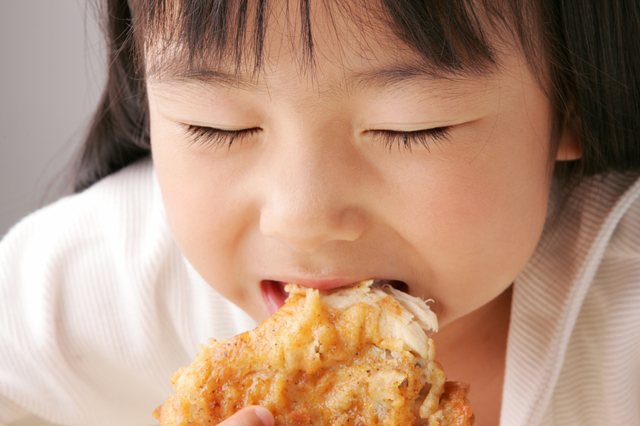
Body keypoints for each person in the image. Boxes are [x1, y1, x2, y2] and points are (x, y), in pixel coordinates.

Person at [0, 0, 638, 425]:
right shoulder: (104, 273)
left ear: (575, 101)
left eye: (411, 127)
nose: (300, 217)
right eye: (214, 125)